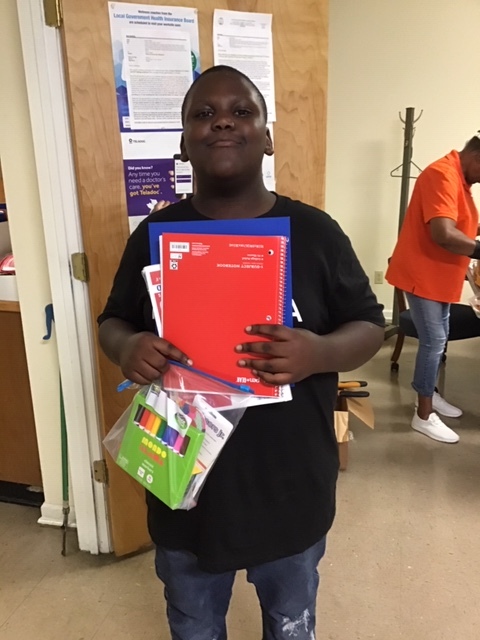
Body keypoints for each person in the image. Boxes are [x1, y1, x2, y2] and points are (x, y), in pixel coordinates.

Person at [98, 65, 385, 640]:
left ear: (267, 135)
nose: (223, 120)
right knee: (195, 619)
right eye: (203, 114)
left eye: (242, 110)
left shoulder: (315, 233)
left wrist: (317, 353)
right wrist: (128, 345)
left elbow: (370, 326)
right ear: (182, 142)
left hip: (289, 483)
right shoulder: (155, 234)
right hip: (184, 479)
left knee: (291, 618)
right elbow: (114, 320)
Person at [386, 133, 480, 444]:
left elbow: (463, 223)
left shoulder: (460, 180)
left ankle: (428, 395)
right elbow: (443, 233)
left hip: (439, 276)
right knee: (433, 342)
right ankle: (423, 415)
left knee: (436, 341)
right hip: (423, 273)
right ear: (476, 158)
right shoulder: (442, 174)